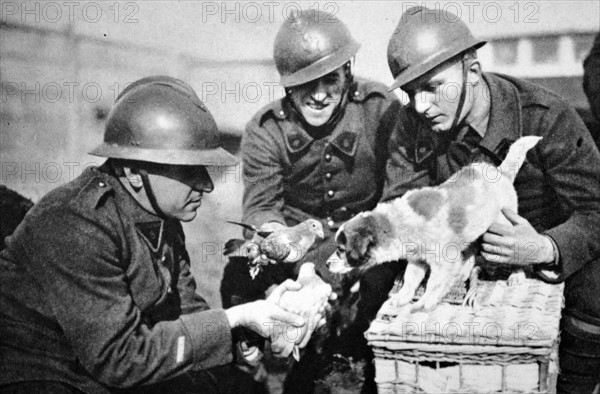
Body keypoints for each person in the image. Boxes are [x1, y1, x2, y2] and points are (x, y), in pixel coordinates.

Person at [0, 76, 323, 394]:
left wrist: (244, 333)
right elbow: (118, 359)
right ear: (132, 172)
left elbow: (184, 311)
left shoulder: (157, 216)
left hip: (105, 372)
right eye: (188, 170)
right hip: (43, 372)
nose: (207, 185)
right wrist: (232, 319)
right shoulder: (76, 224)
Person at [383, 7, 600, 394]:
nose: (420, 105)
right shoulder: (411, 125)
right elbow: (400, 206)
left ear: (473, 72)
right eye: (410, 91)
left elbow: (595, 209)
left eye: (433, 86)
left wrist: (546, 247)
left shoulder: (545, 118)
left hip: (542, 264)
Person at [222, 8, 404, 394]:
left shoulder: (380, 108)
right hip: (295, 248)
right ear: (288, 86)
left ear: (348, 73)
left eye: (330, 80)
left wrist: (329, 272)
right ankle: (250, 366)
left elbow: (397, 195)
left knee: (353, 355)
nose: (319, 95)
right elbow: (262, 209)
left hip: (366, 243)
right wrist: (283, 255)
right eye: (306, 84)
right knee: (239, 270)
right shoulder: (264, 130)